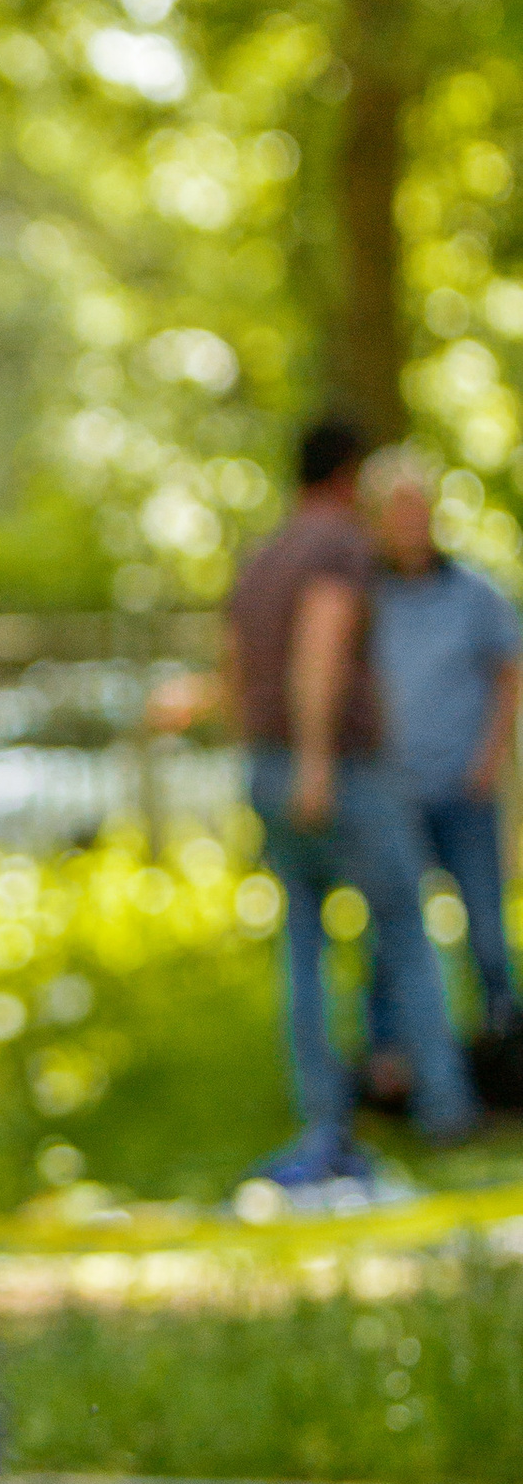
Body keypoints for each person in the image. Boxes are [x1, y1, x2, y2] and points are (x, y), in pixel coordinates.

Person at [225, 417, 479, 1193]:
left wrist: (265, 759)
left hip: (266, 764)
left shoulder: (262, 557)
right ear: (345, 477)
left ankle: (323, 1116)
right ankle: (442, 1107)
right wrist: (313, 762)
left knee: (301, 938)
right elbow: (321, 644)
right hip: (336, 768)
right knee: (404, 923)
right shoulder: (337, 547)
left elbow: (232, 665)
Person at [361, 445, 520, 1100]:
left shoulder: (475, 594)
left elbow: (509, 674)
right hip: (394, 794)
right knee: (392, 934)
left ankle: (505, 1055)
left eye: (418, 510)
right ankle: (392, 1069)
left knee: (486, 929)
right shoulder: (366, 598)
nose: (410, 524)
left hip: (464, 788)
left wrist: (489, 758)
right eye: (397, 512)